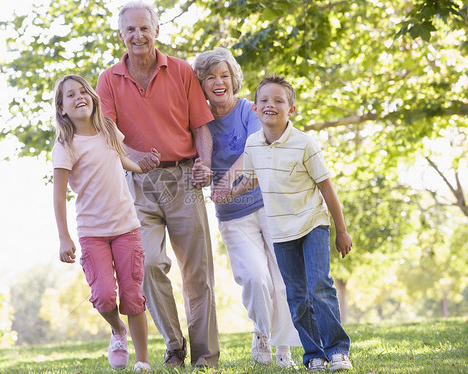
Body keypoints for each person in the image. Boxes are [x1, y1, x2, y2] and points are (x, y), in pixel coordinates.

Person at [95, 1, 219, 368]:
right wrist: (133, 155)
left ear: (156, 31)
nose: (138, 35)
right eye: (130, 30)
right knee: (147, 264)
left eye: (144, 28)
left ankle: (205, 358)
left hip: (183, 178)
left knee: (198, 273)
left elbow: (201, 127)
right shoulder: (108, 79)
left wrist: (205, 164)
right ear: (121, 35)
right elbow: (108, 133)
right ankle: (174, 344)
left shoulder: (181, 71)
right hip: (137, 183)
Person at [213, 74, 353, 372]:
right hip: (281, 232)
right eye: (263, 100)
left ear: (291, 109)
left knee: (319, 286)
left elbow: (327, 188)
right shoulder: (253, 144)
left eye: (279, 100)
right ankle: (313, 354)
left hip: (312, 224)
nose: (270, 105)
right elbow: (250, 179)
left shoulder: (305, 144)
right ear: (254, 108)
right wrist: (230, 192)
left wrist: (341, 231)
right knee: (296, 294)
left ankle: (338, 351)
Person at [193, 48, 301, 368]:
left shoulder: (247, 110)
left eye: (224, 75)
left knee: (281, 279)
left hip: (269, 204)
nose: (218, 82)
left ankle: (284, 348)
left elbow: (255, 151)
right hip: (234, 216)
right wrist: (202, 174)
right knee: (255, 277)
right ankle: (262, 332)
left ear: (234, 79)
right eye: (210, 77)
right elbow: (198, 164)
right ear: (200, 84)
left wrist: (226, 182)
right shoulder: (199, 123)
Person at [52, 74, 158, 373]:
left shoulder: (108, 130)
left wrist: (141, 165)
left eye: (83, 91)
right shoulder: (66, 145)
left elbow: (121, 158)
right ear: (62, 108)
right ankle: (117, 331)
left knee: (133, 295)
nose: (79, 96)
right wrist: (64, 238)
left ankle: (143, 360)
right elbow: (59, 196)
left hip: (126, 227)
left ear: (92, 97)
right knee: (103, 296)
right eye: (70, 95)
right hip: (92, 233)